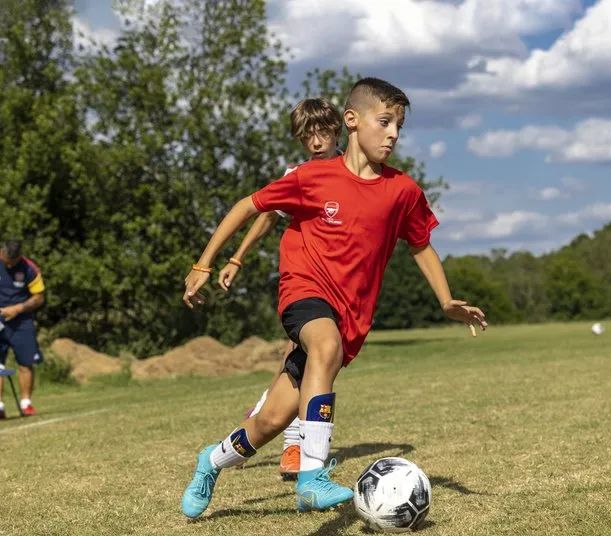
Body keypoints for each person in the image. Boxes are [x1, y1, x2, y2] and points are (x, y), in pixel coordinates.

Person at [180, 77, 487, 519]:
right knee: (324, 344)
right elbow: (250, 206)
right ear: (352, 120)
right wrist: (205, 263)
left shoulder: (402, 191)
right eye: (384, 122)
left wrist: (446, 301)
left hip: (351, 319)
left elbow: (420, 244)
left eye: (398, 126)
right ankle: (312, 477)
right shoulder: (311, 177)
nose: (393, 134)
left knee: (271, 421)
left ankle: (210, 462)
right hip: (303, 293)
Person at [218, 97, 343, 480]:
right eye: (307, 136)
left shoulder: (354, 170)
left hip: (342, 287)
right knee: (306, 350)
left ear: (338, 129)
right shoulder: (298, 174)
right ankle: (295, 447)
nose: (316, 141)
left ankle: (266, 412)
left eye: (322, 132)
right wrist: (236, 258)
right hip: (306, 281)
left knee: (304, 362)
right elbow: (265, 215)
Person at [0, 240, 46, 418]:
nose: (10, 264)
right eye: (6, 260)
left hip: (22, 322)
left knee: (26, 363)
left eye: (13, 260)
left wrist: (17, 309)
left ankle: (26, 403)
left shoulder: (29, 268)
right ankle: (0, 406)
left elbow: (39, 296)